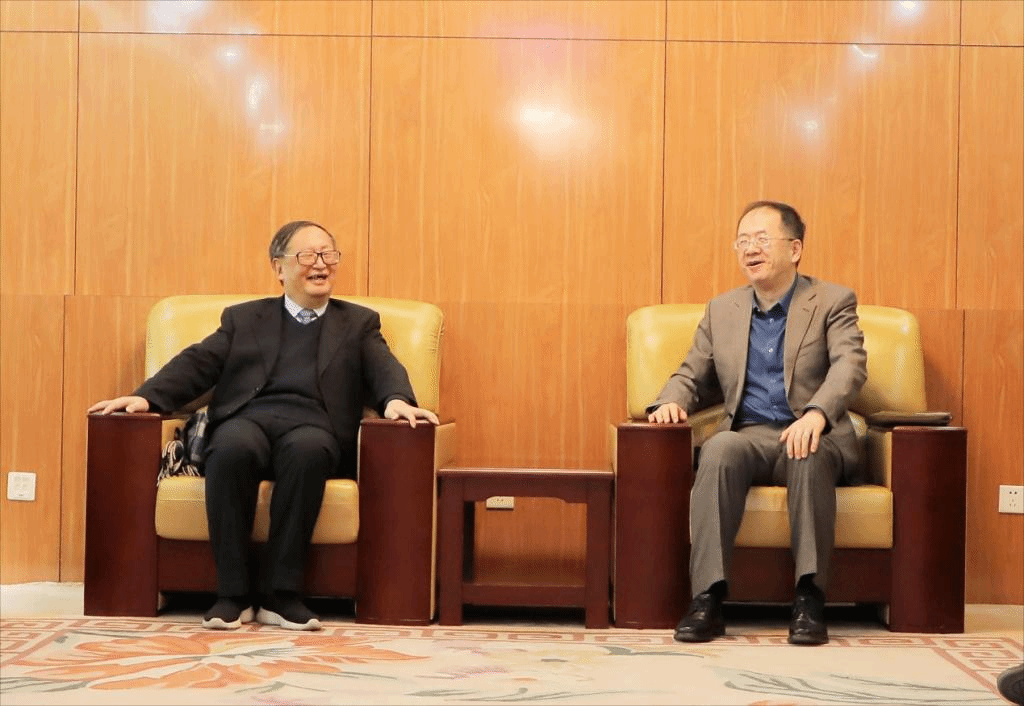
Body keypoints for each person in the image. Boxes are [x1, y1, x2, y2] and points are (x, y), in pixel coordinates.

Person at [88, 220, 439, 631]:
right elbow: (199, 363)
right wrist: (146, 397)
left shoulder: (357, 323)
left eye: (328, 254)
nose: (320, 264)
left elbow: (383, 366)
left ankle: (280, 596)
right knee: (230, 449)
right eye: (307, 255)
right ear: (279, 267)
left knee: (308, 452)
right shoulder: (245, 319)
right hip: (248, 419)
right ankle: (232, 596)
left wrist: (396, 400)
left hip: (314, 426)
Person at [647, 201, 867, 646]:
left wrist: (816, 414)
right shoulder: (722, 310)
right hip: (747, 435)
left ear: (795, 249)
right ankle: (707, 598)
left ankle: (809, 597)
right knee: (718, 449)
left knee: (805, 453)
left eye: (762, 239)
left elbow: (850, 364)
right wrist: (670, 401)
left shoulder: (832, 301)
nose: (751, 249)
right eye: (743, 241)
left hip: (810, 433)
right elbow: (691, 373)